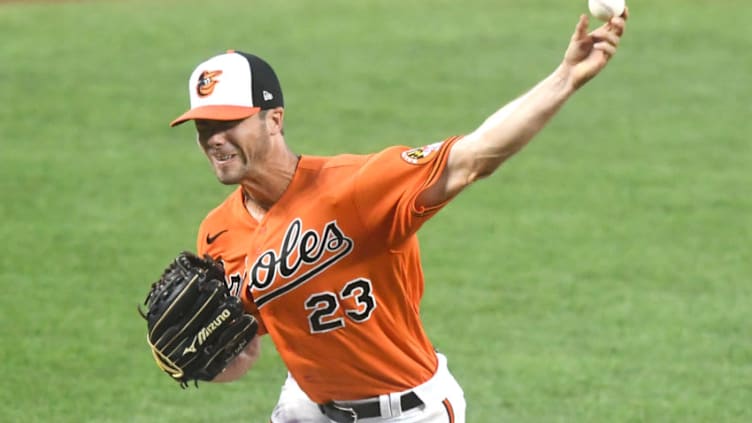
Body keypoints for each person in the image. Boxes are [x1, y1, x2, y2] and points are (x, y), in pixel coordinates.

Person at [168, 9, 628, 423]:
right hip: (306, 410)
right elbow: (248, 346)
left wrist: (565, 78)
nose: (214, 139)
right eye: (205, 127)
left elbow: (474, 156)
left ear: (274, 118)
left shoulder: (356, 188)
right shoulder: (218, 233)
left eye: (229, 122)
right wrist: (200, 358)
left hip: (408, 411)